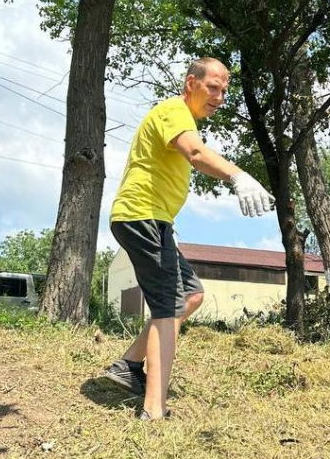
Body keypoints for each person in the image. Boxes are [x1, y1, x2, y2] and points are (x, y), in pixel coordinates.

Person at [102, 57, 274, 420]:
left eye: (225, 90)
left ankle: (129, 365)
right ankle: (154, 410)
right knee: (166, 310)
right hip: (141, 216)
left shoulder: (183, 119)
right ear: (190, 83)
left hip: (155, 221)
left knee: (190, 296)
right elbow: (195, 154)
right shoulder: (174, 111)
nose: (220, 96)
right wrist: (238, 176)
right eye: (213, 86)